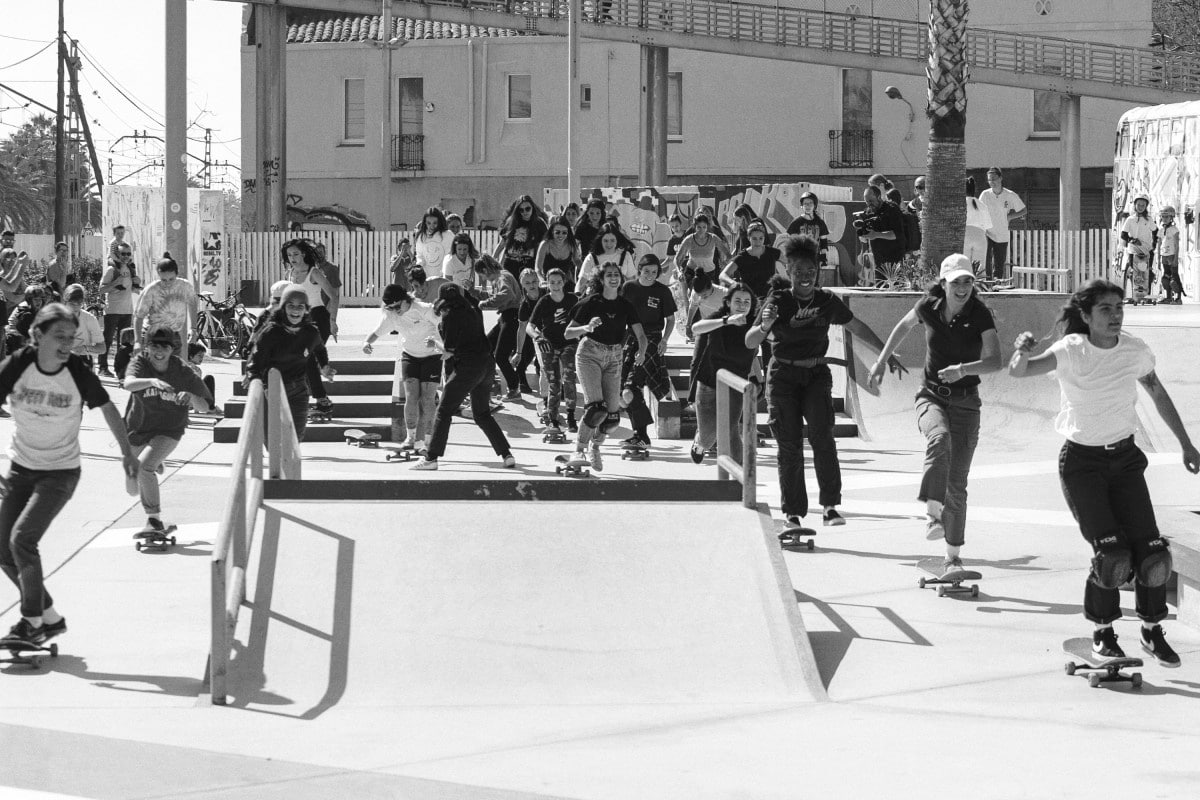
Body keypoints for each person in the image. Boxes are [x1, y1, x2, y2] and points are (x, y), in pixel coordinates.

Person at [1010, 279, 1199, 667]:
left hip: (1126, 460)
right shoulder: (1071, 350)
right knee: (1112, 556)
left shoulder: (1134, 350)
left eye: (1119, 308)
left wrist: (1186, 444)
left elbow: (1158, 394)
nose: (1115, 316)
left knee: (1152, 554)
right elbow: (1020, 372)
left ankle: (1151, 631)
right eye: (1106, 310)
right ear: (1086, 316)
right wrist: (1020, 351)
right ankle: (1103, 634)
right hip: (1083, 465)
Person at [0, 303, 138, 647]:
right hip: (21, 468)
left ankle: (31, 622)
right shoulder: (19, 365)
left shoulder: (76, 370)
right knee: (3, 548)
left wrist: (127, 453)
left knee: (22, 540)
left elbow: (107, 408)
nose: (66, 344)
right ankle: (49, 616)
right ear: (37, 335)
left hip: (59, 473)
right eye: (59, 336)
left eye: (71, 338)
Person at [746, 234, 903, 527]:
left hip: (816, 375)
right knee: (790, 444)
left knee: (823, 438)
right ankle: (793, 513)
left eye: (810, 272)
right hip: (783, 377)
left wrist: (884, 352)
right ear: (788, 272)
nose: (805, 277)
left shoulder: (826, 300)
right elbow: (749, 340)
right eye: (798, 272)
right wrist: (765, 325)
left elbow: (856, 326)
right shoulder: (778, 300)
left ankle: (830, 506)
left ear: (817, 272)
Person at [868, 254, 1002, 572]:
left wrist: (963, 369)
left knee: (957, 484)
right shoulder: (928, 305)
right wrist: (880, 361)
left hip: (967, 403)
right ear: (943, 283)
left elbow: (996, 360)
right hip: (931, 397)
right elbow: (902, 326)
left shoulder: (979, 313)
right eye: (956, 282)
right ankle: (932, 513)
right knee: (938, 437)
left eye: (968, 281)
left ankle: (952, 557)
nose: (963, 287)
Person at [413, 284, 517, 471]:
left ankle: (431, 458)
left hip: (468, 368)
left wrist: (434, 342)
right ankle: (506, 454)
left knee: (444, 411)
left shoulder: (450, 316)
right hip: (487, 365)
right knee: (482, 414)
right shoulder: (473, 309)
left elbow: (448, 351)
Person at [123, 326, 214, 535]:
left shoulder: (182, 371)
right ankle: (156, 459)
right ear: (147, 346)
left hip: (169, 428)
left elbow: (205, 407)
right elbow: (128, 384)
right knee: (131, 487)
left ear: (172, 349)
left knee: (145, 467)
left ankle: (153, 519)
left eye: (165, 346)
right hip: (139, 428)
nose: (159, 351)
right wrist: (151, 381)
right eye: (155, 345)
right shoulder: (140, 363)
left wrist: (191, 397)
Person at [562, 262, 648, 472]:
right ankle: (579, 449)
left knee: (612, 418)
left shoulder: (625, 305)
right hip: (590, 353)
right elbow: (568, 333)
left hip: (614, 356)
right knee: (595, 409)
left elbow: (641, 335)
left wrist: (642, 352)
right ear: (601, 279)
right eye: (609, 275)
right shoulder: (591, 302)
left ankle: (596, 446)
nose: (613, 278)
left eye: (616, 275)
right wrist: (586, 327)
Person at [244, 284, 334, 442]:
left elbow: (319, 348)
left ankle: (286, 463)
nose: (295, 310)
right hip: (271, 389)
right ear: (283, 308)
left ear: (306, 309)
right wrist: (253, 379)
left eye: (300, 306)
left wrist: (324, 366)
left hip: (298, 390)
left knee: (294, 439)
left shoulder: (310, 333)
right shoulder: (271, 332)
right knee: (270, 441)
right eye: (291, 306)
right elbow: (255, 362)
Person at [363, 284, 443, 453]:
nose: (395, 310)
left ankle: (429, 441)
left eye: (397, 306)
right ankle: (411, 438)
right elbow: (377, 332)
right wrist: (367, 342)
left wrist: (440, 344)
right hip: (410, 356)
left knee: (427, 399)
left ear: (406, 300)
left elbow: (446, 324)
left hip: (432, 356)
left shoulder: (423, 309)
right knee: (411, 397)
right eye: (390, 308)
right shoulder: (391, 316)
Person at [689, 283, 758, 463]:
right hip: (709, 381)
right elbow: (695, 328)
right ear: (728, 303)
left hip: (735, 384)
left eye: (746, 302)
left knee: (730, 429)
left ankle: (743, 479)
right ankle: (700, 441)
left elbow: (768, 340)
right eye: (737, 301)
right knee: (708, 438)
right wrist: (727, 321)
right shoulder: (719, 317)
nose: (742, 305)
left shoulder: (754, 324)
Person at [619, 254, 677, 449]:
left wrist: (665, 340)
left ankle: (642, 435)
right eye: (646, 271)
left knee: (631, 388)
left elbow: (670, 319)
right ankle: (639, 434)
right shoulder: (629, 288)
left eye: (654, 272)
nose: (651, 275)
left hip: (651, 340)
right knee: (622, 391)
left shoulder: (662, 291)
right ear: (639, 270)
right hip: (629, 339)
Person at [281, 239, 337, 419]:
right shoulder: (289, 274)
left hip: (319, 317)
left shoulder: (314, 272)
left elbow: (333, 295)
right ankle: (317, 399)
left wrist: (333, 321)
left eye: (296, 254)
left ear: (304, 254)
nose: (293, 258)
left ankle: (322, 400)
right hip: (301, 320)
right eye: (289, 255)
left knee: (307, 356)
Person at [526, 268, 579, 433]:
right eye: (552, 282)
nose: (555, 286)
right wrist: (537, 337)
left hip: (569, 343)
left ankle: (571, 416)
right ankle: (553, 419)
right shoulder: (544, 301)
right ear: (547, 284)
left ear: (564, 282)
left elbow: (582, 319)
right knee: (553, 382)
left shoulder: (572, 299)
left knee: (569, 378)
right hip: (549, 344)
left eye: (559, 282)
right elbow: (530, 326)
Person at [475, 255, 524, 399]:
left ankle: (514, 387)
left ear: (485, 270)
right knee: (486, 345)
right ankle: (491, 378)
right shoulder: (502, 277)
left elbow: (507, 294)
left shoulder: (502, 277)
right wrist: (474, 292)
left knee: (501, 356)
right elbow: (493, 295)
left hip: (512, 317)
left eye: (481, 275)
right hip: (505, 317)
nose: (483, 279)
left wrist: (485, 304)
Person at [132, 254, 197, 358]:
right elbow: (138, 316)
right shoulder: (152, 290)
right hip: (153, 336)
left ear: (177, 274)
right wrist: (137, 342)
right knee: (152, 371)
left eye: (171, 279)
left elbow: (193, 304)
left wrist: (193, 329)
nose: (167, 283)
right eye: (164, 280)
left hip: (173, 335)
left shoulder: (185, 286)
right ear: (158, 275)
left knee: (174, 371)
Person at [97, 242, 140, 377]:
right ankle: (103, 367)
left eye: (128, 253)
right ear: (117, 255)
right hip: (112, 310)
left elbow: (132, 290)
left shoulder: (131, 270)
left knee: (124, 343)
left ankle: (120, 369)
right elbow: (101, 290)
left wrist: (138, 285)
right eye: (123, 253)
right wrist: (116, 282)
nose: (126, 256)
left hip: (127, 310)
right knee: (108, 340)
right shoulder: (111, 270)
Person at [977, 167, 1027, 281]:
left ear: (1000, 178)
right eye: (989, 180)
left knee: (999, 263)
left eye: (994, 179)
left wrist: (1010, 216)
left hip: (1002, 234)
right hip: (987, 232)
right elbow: (979, 210)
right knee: (986, 259)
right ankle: (987, 282)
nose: (992, 182)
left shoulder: (1010, 195)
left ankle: (996, 283)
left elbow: (1024, 210)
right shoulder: (985, 194)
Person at [858, 185, 906, 283]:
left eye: (871, 201)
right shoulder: (868, 212)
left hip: (894, 260)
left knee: (897, 291)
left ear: (879, 197)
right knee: (880, 291)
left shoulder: (891, 209)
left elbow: (896, 234)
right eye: (867, 201)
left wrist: (876, 235)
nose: (869, 204)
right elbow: (865, 234)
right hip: (878, 261)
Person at [577, 221, 637, 292]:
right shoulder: (592, 257)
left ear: (617, 240)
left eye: (612, 240)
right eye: (605, 241)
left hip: (619, 298)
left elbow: (631, 281)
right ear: (600, 241)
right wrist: (577, 296)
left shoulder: (625, 256)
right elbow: (581, 282)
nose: (609, 244)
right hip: (597, 297)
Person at [675, 214, 731, 285]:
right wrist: (679, 271)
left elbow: (728, 254)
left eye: (704, 227)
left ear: (707, 227)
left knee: (707, 294)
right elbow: (677, 258)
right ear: (695, 227)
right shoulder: (689, 239)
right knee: (692, 294)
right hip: (692, 273)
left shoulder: (713, 238)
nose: (701, 230)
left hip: (709, 274)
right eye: (699, 227)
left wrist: (724, 264)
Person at [1121, 193, 1157, 304]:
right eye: (1139, 204)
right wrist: (1132, 240)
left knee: (1147, 272)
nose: (1140, 207)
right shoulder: (1130, 219)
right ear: (1135, 205)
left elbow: (1156, 231)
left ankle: (1146, 295)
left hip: (1147, 250)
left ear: (1146, 206)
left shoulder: (1149, 219)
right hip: (1134, 250)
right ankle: (1133, 296)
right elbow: (1123, 235)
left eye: (1143, 205)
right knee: (1133, 273)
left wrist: (1154, 244)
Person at [534, 215, 581, 292]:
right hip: (549, 284)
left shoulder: (571, 245)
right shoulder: (546, 244)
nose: (561, 235)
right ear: (552, 232)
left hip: (566, 283)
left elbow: (577, 261)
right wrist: (542, 281)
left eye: (564, 233)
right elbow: (538, 268)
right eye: (557, 232)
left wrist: (588, 273)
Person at [62, 284, 105, 367]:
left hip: (83, 361)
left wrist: (85, 349)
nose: (76, 307)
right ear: (65, 301)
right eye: (72, 304)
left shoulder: (90, 319)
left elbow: (102, 348)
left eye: (79, 303)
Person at [786, 192, 831, 264]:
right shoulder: (797, 222)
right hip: (799, 258)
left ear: (815, 205)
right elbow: (790, 240)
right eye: (805, 204)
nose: (808, 206)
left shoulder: (820, 222)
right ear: (802, 206)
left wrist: (823, 256)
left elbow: (823, 241)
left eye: (810, 203)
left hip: (814, 257)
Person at [413, 207, 454, 275]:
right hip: (426, 278)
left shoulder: (448, 235)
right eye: (429, 223)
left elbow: (451, 255)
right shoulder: (421, 236)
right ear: (425, 223)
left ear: (440, 222)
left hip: (444, 277)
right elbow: (420, 255)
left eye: (435, 223)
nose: (432, 226)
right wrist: (419, 266)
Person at [963, 177, 993, 269]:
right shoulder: (982, 205)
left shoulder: (960, 204)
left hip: (964, 235)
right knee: (980, 267)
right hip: (980, 236)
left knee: (964, 265)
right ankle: (981, 283)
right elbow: (988, 226)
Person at [1158, 205, 1182, 304]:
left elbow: (1177, 245)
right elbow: (1159, 245)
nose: (1164, 219)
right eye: (1163, 216)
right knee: (1165, 278)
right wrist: (1158, 259)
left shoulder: (1174, 229)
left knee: (1174, 278)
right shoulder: (1161, 229)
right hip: (1164, 255)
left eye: (1166, 217)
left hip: (1172, 255)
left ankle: (1178, 298)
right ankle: (1168, 297)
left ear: (1171, 217)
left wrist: (1176, 258)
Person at [186, 341, 218, 411]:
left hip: (187, 400)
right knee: (209, 378)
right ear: (191, 356)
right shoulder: (195, 369)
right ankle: (211, 407)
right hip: (192, 400)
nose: (201, 359)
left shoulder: (184, 364)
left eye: (203, 356)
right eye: (199, 356)